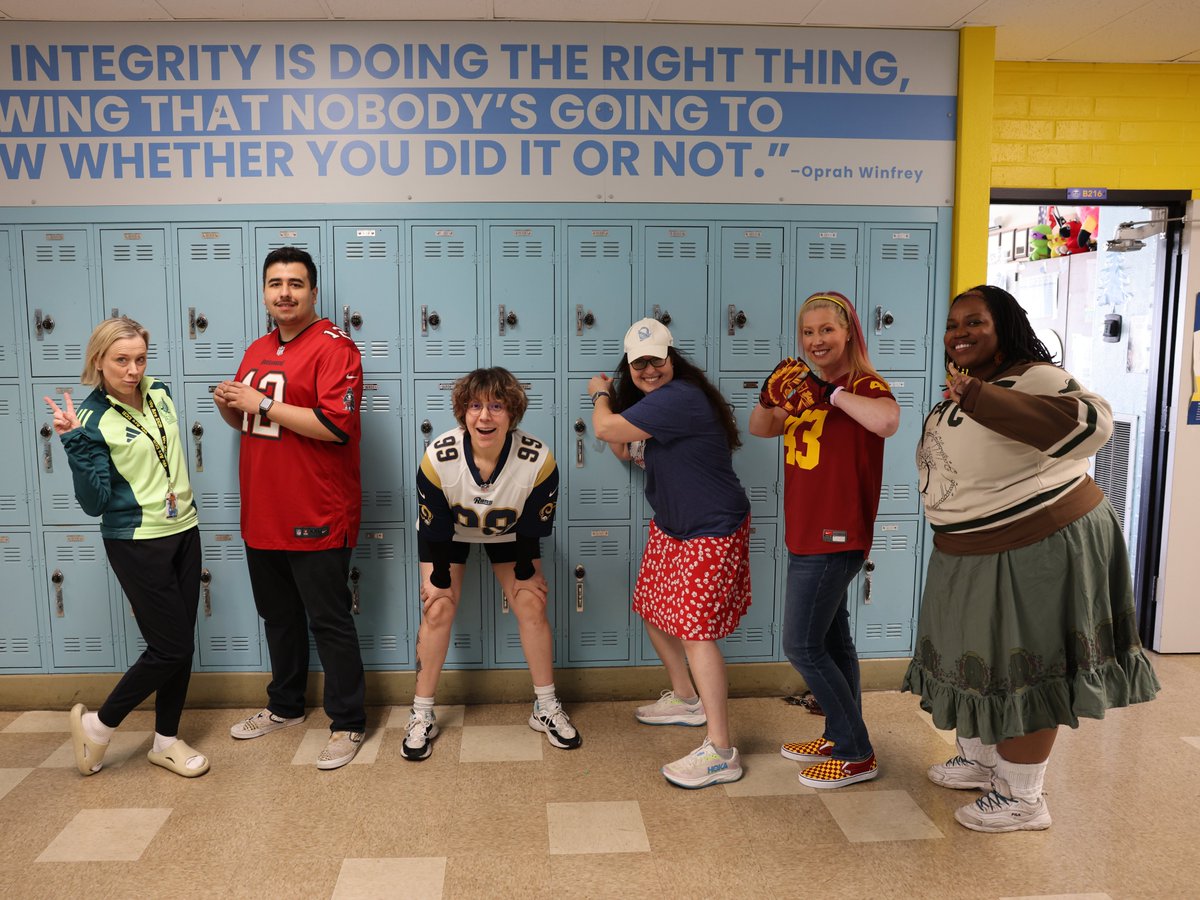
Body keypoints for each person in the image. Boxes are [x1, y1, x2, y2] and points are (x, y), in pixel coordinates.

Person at [905, 284, 1160, 832]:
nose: (960, 334)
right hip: (972, 547)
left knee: (1027, 664)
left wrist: (980, 399)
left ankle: (1023, 797)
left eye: (975, 322)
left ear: (1006, 327)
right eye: (953, 325)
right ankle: (981, 761)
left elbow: (1096, 425)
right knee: (977, 654)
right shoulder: (976, 381)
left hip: (1036, 544)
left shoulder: (1036, 377)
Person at [214, 246, 367, 771]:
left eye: (295, 283)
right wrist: (231, 409)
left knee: (328, 620)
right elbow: (256, 424)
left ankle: (347, 723)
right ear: (264, 291)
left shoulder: (335, 347)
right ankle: (285, 707)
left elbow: (333, 426)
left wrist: (260, 403)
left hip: (317, 510)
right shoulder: (256, 349)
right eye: (275, 283)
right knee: (277, 617)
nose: (285, 292)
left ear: (313, 291)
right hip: (264, 510)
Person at [590, 318, 751, 789]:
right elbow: (624, 448)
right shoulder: (653, 406)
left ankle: (722, 751)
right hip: (674, 529)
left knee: (697, 632)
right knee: (653, 610)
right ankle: (686, 699)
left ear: (672, 359)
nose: (648, 369)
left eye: (656, 359)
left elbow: (604, 430)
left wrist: (601, 394)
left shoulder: (681, 398)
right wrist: (624, 410)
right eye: (638, 363)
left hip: (712, 528)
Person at [749, 292, 899, 789]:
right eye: (808, 332)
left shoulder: (862, 384)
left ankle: (857, 753)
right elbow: (759, 428)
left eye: (826, 331)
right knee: (834, 641)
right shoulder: (803, 386)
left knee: (801, 644)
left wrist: (826, 392)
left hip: (837, 532)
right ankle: (839, 733)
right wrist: (773, 395)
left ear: (849, 332)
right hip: (806, 529)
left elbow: (888, 421)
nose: (816, 340)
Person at [48, 317, 208, 778]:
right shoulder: (92, 419)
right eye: (121, 360)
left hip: (184, 530)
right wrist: (74, 442)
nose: (133, 369)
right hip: (137, 542)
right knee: (170, 647)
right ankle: (100, 724)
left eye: (140, 358)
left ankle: (166, 741)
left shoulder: (160, 392)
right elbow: (94, 502)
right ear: (99, 361)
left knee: (181, 644)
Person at [404, 367, 579, 759]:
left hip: (511, 534)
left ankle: (545, 706)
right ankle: (421, 713)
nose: (485, 416)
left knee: (531, 602)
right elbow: (435, 533)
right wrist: (440, 581)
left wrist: (523, 577)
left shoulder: (539, 459)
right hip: (446, 534)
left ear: (512, 413)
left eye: (496, 406)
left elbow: (532, 528)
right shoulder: (438, 457)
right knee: (438, 609)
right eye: (475, 406)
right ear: (463, 413)